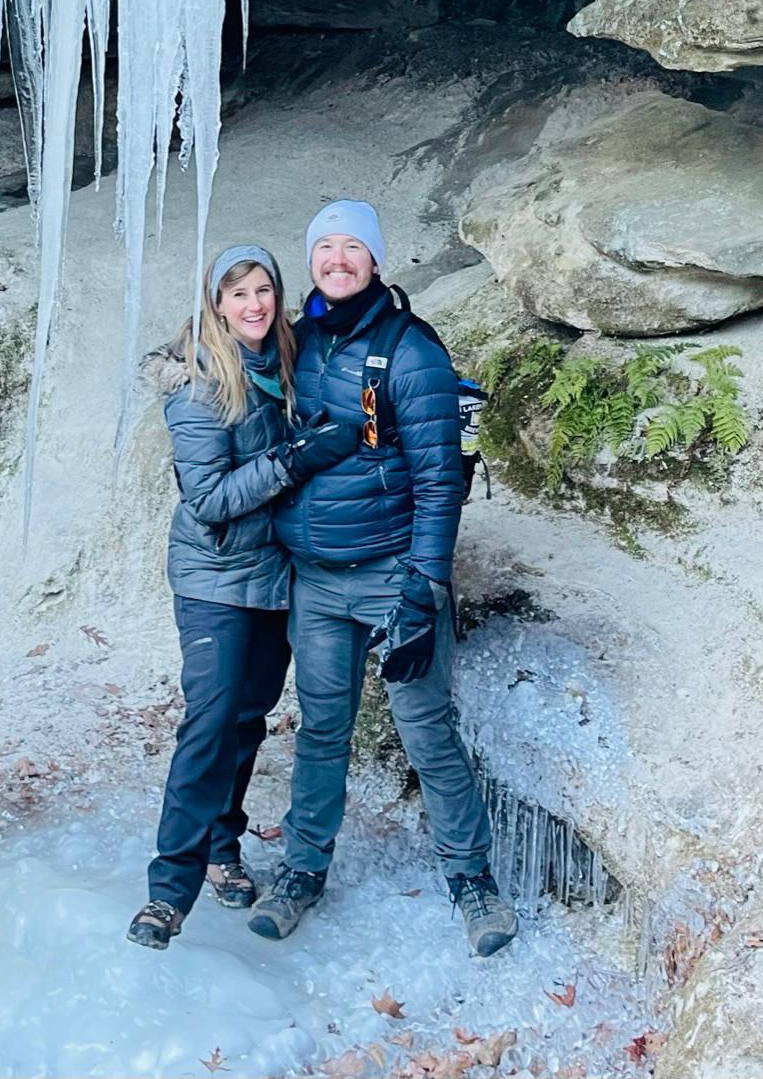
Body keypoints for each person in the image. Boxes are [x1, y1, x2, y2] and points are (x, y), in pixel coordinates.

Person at [248, 200, 519, 958]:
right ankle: (302, 869)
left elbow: (439, 480)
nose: (336, 259)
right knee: (321, 731)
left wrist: (421, 585)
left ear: (374, 259)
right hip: (315, 580)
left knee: (426, 730)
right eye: (323, 246)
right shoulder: (295, 343)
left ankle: (472, 881)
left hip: (389, 573)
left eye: (351, 247)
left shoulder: (411, 351)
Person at [127, 245, 364, 949]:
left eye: (263, 290)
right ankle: (170, 888)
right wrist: (291, 458)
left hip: (277, 573)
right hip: (216, 575)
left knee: (248, 717)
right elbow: (209, 498)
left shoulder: (288, 361)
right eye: (238, 295)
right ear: (215, 305)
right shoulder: (199, 385)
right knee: (208, 718)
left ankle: (222, 845)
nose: (253, 305)